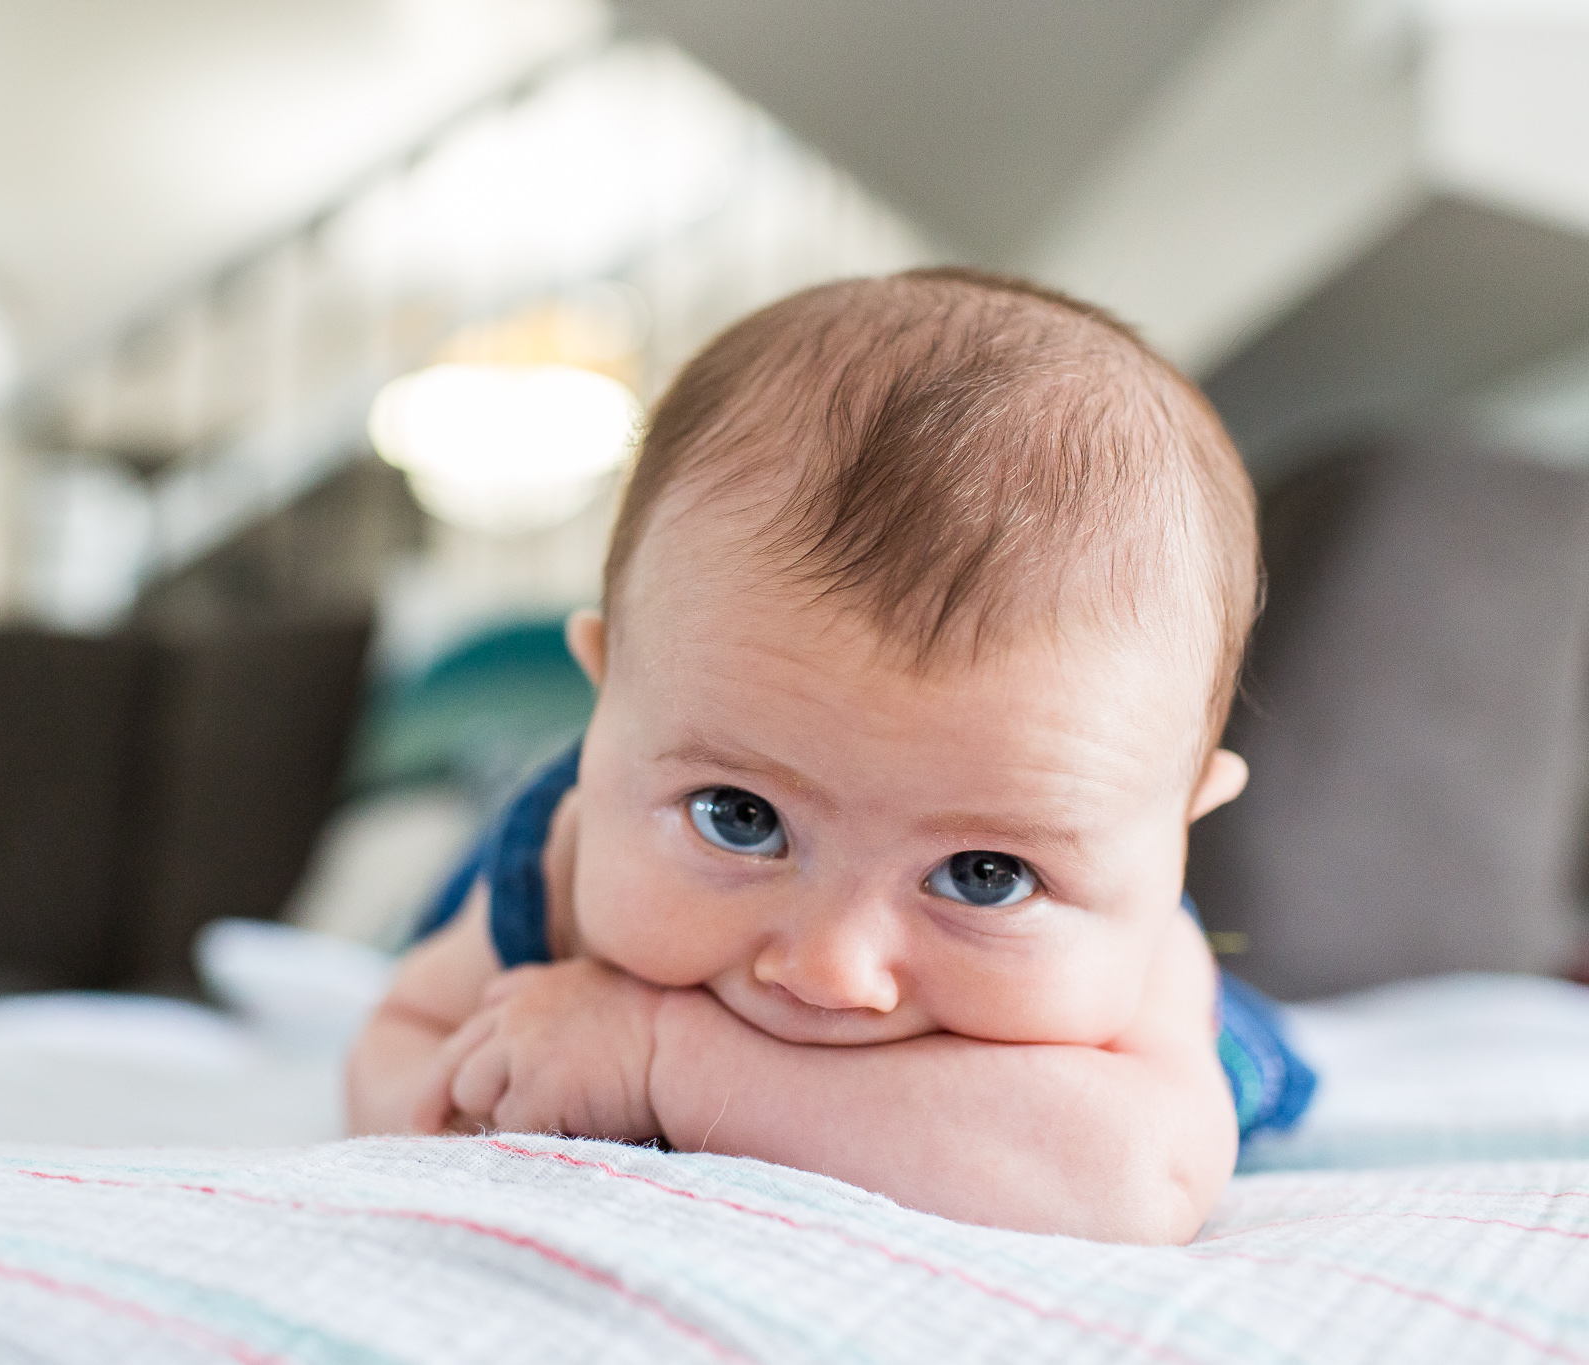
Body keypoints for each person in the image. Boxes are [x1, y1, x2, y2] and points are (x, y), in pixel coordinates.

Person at [345, 268, 1315, 1245]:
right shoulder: (561, 860)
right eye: (739, 816)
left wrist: (660, 1060)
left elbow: (1127, 1182)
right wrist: (483, 1088)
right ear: (606, 707)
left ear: (1173, 829)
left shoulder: (1138, 961)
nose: (828, 970)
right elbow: (401, 1049)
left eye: (985, 877)